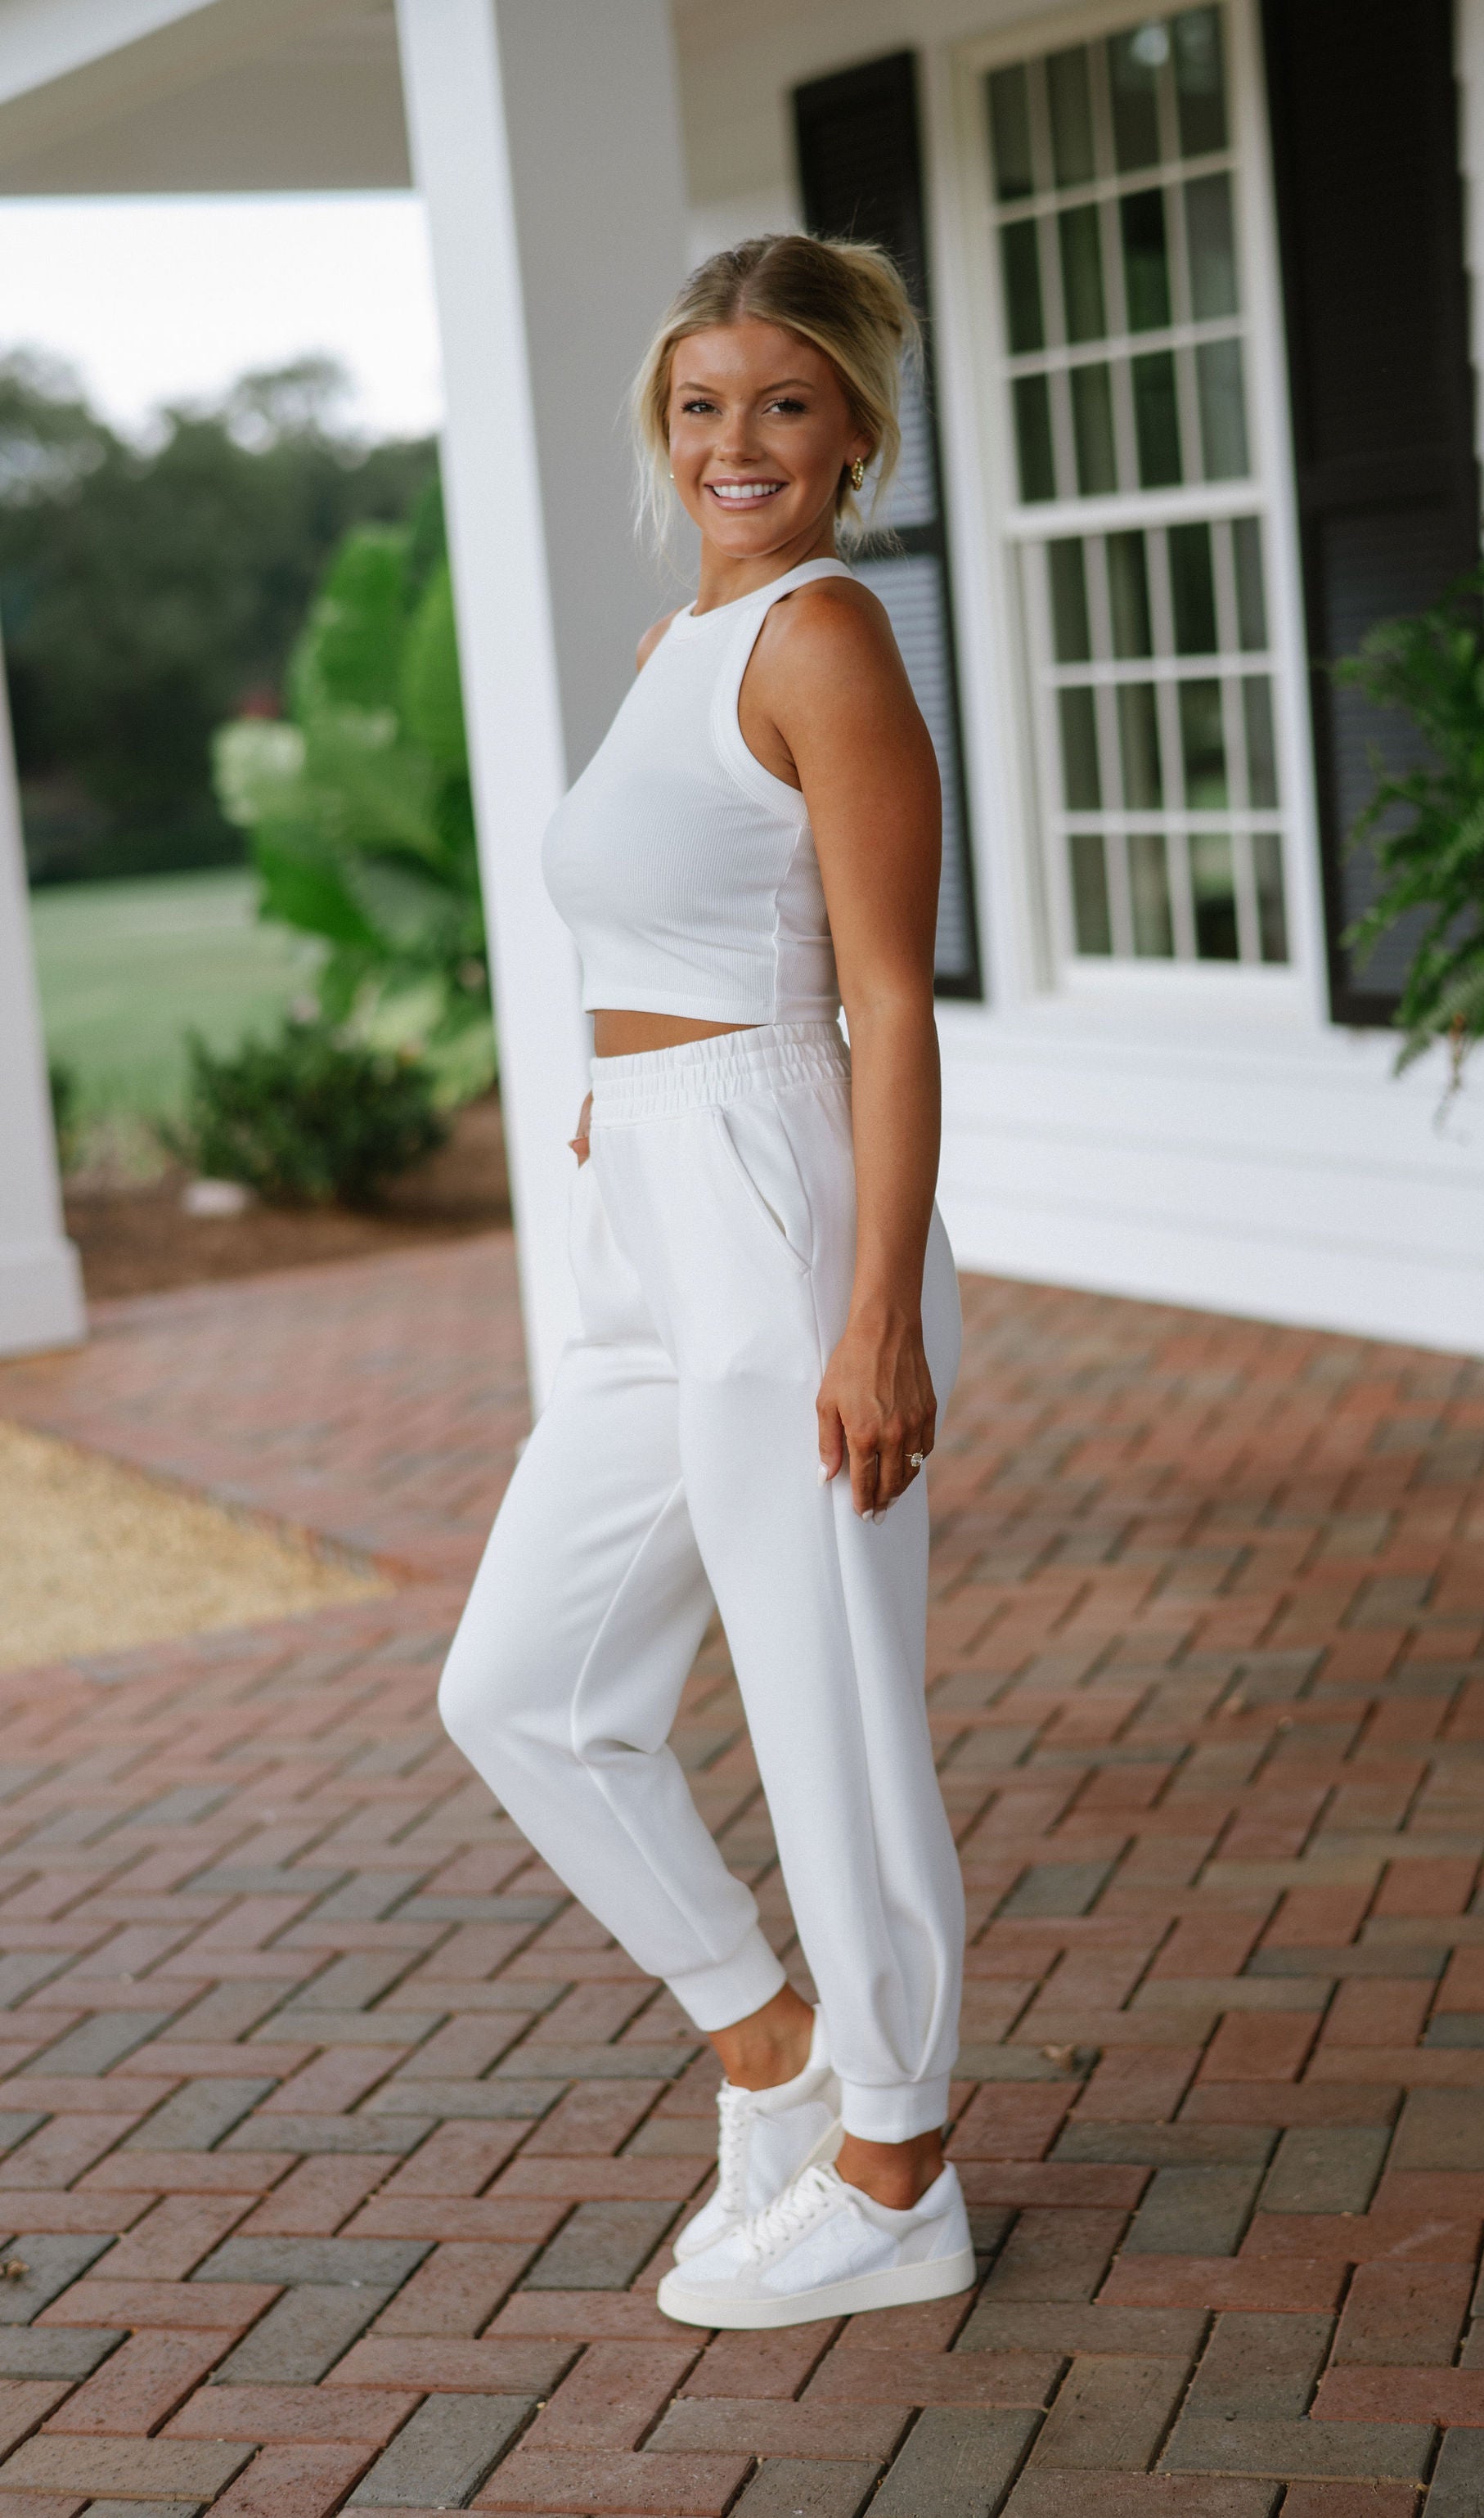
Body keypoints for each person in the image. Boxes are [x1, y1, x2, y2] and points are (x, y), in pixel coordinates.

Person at [437, 233, 969, 2331]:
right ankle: (773, 2056)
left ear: (852, 429)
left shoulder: (827, 634)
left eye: (781, 403)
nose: (735, 440)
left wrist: (878, 1315)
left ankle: (898, 2166)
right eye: (700, 404)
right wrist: (616, 1126)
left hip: (779, 1200)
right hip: (653, 1202)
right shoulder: (694, 631)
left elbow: (885, 1004)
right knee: (527, 1688)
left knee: (830, 1703)